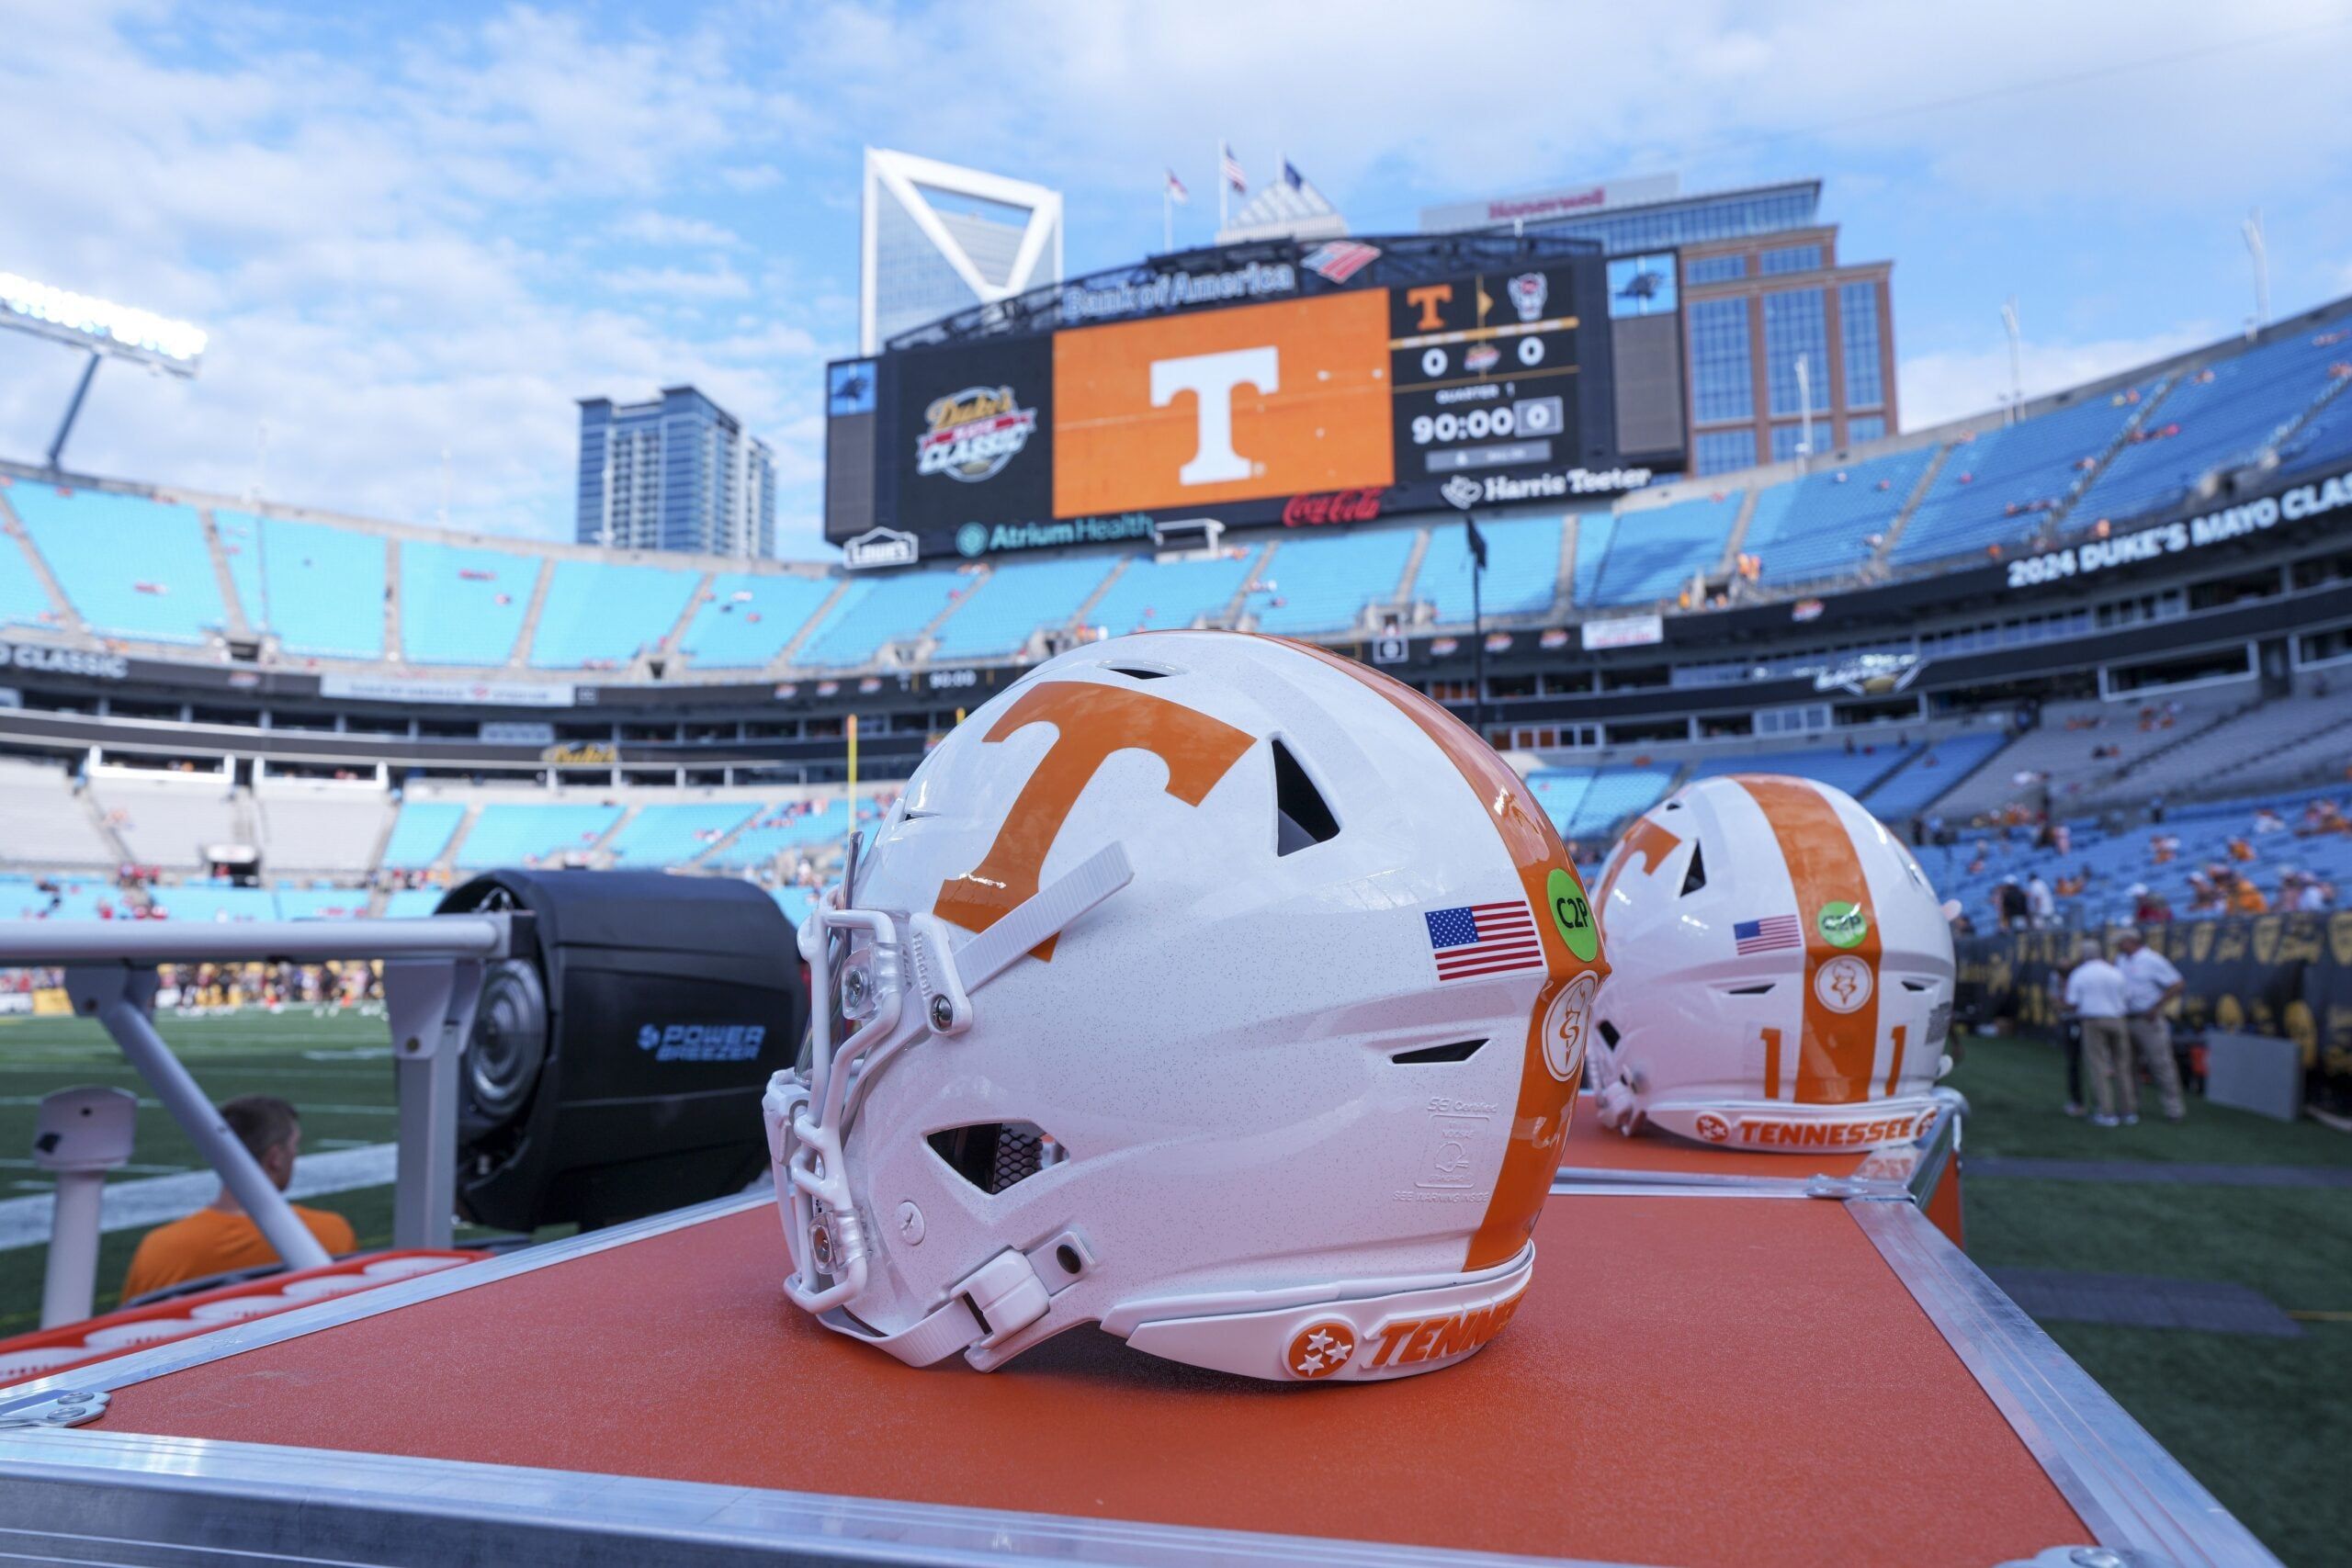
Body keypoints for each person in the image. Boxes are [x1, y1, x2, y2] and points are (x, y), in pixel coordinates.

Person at [121, 1095, 356, 1302]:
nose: (296, 1154)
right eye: (294, 1146)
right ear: (275, 1157)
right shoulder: (329, 1232)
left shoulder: (161, 1248)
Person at [2113, 930, 2187, 1122]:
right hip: (2125, 1017)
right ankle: (2130, 1106)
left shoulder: (2152, 959)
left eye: (2120, 942)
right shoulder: (2121, 960)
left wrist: (2156, 1006)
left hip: (2147, 1019)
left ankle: (2174, 1109)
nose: (2117, 946)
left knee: (2160, 1064)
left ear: (2131, 941)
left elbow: (2177, 984)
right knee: (2128, 1064)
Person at [2063, 941, 2134, 1127]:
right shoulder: (2115, 972)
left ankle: (2106, 1112)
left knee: (2098, 1067)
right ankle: (2128, 1111)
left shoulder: (2080, 973)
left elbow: (2072, 1002)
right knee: (2122, 1066)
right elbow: (2127, 997)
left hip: (2093, 1020)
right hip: (2118, 1019)